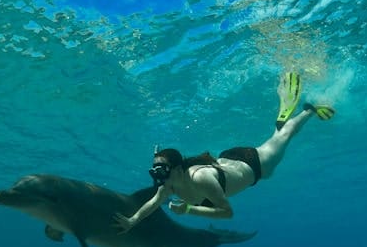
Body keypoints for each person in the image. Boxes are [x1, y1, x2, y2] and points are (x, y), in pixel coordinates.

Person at [113, 72, 335, 233]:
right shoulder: (169, 184)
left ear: (178, 169)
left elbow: (227, 213)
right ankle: (284, 121)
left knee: (282, 139)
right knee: (274, 155)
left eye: (161, 169)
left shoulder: (200, 178)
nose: (158, 175)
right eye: (155, 171)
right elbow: (152, 203)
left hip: (251, 163)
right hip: (227, 160)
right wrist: (132, 221)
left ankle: (308, 110)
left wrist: (189, 209)